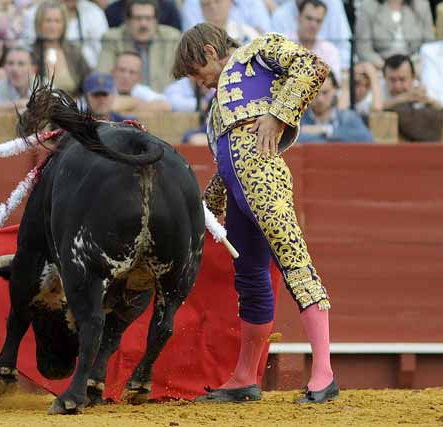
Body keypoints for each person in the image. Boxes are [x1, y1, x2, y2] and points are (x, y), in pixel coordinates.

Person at [172, 23, 337, 404]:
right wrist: (205, 209)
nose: (199, 83)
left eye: (197, 73)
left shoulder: (257, 50)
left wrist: (278, 114)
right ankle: (245, 376)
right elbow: (226, 163)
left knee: (294, 261)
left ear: (211, 51)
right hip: (236, 191)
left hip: (265, 177)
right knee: (249, 279)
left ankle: (324, 374)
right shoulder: (216, 111)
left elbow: (311, 66)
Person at [97, 0, 181, 92]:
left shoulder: (172, 38)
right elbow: (101, 78)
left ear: (156, 21)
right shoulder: (113, 38)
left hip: (166, 101)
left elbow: (182, 80)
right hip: (125, 101)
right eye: (138, 18)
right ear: (127, 21)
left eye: (148, 18)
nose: (143, 24)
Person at [31, 1, 91, 98]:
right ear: (39, 24)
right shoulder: (30, 53)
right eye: (48, 20)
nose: (52, 26)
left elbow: (89, 81)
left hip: (73, 108)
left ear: (64, 24)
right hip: (41, 109)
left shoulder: (74, 52)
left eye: (57, 21)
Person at [355, 0, 433, 69]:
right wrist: (386, 67)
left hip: (416, 65)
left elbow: (429, 45)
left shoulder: (422, 5)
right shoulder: (368, 6)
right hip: (378, 67)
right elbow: (363, 49)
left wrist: (410, 67)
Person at [383, 54, 443, 141]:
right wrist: (405, 98)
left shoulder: (423, 90)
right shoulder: (378, 88)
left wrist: (429, 101)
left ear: (413, 77)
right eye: (392, 80)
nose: (397, 86)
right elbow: (373, 107)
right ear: (384, 78)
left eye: (402, 79)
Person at [298, 71, 374, 143]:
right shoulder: (298, 119)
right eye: (315, 93)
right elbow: (290, 142)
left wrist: (326, 129)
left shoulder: (348, 117)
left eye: (325, 93)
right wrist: (339, 136)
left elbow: (367, 139)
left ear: (335, 90)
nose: (320, 99)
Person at [290, 0, 341, 83]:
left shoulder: (330, 50)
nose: (313, 25)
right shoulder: (284, 43)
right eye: (309, 18)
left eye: (318, 21)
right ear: (298, 17)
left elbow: (335, 84)